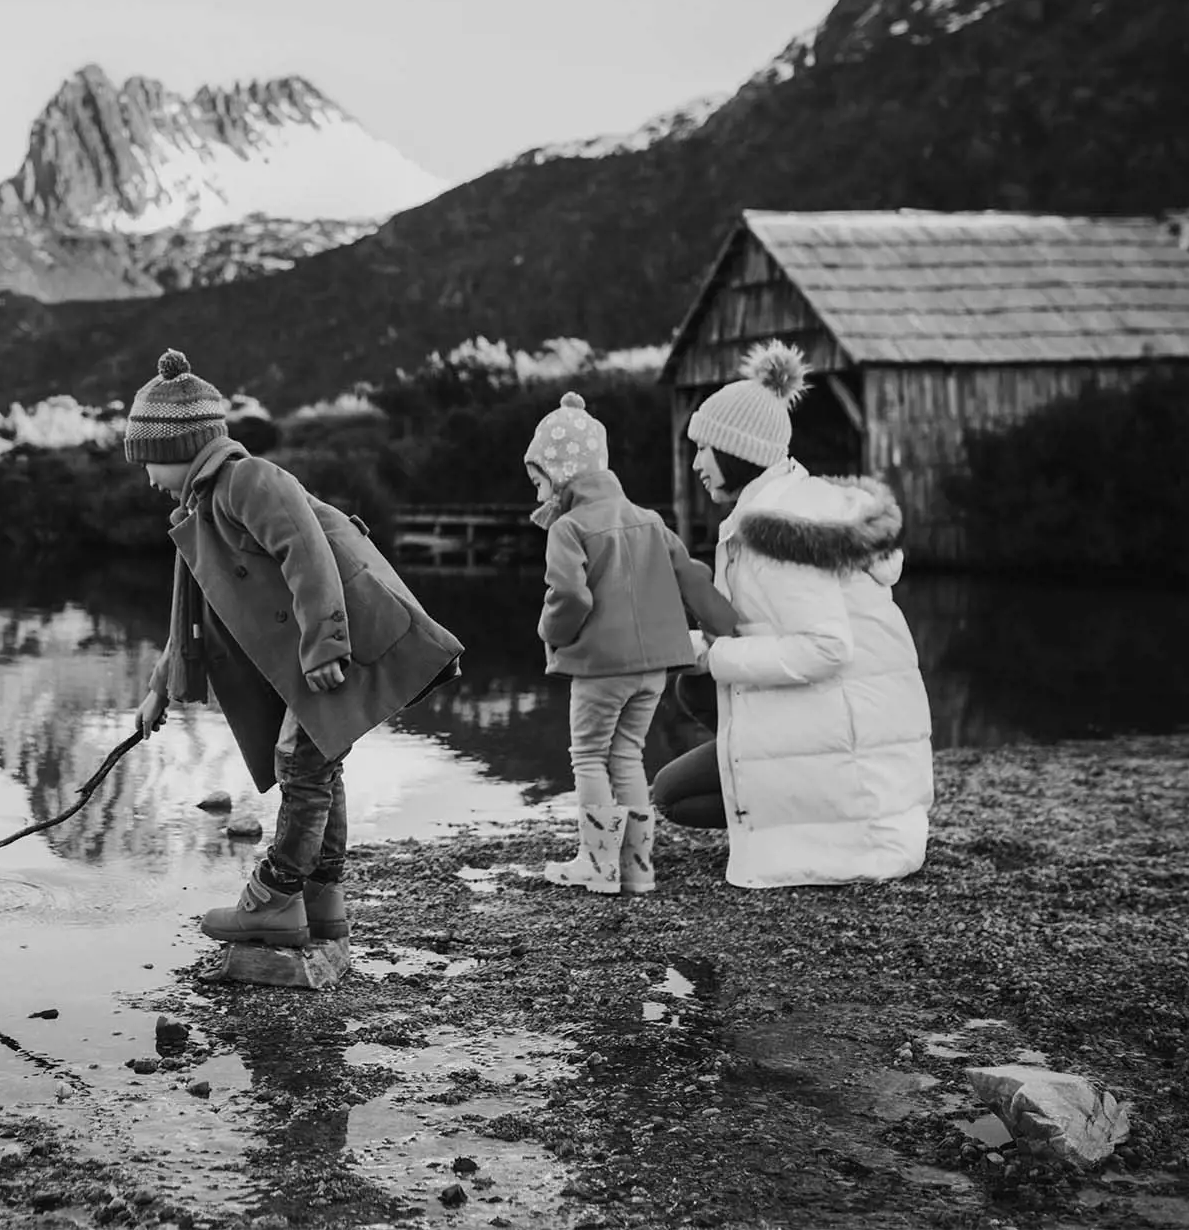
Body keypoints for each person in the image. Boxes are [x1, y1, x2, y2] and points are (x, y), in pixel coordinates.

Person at [128, 349, 463, 947]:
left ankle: (275, 897)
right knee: (318, 765)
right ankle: (322, 897)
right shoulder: (202, 509)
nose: (146, 478)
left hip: (343, 646)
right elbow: (192, 619)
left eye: (146, 461)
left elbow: (306, 552)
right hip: (319, 654)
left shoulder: (248, 481)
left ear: (174, 449)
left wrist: (324, 645)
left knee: (303, 768)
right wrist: (160, 689)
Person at [650, 341, 934, 887]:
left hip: (857, 762)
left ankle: (804, 820)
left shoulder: (775, 531)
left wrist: (716, 654)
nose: (694, 463)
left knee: (672, 795)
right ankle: (789, 802)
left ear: (737, 451)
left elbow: (827, 649)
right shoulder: (801, 502)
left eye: (704, 449)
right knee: (692, 689)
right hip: (871, 743)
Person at [528, 391, 736, 896]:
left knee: (589, 756)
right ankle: (638, 870)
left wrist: (550, 632)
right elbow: (692, 578)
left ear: (560, 475)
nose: (536, 496)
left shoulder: (570, 527)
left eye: (537, 482)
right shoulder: (650, 519)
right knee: (627, 755)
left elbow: (570, 595)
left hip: (601, 668)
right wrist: (725, 627)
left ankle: (598, 867)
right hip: (654, 671)